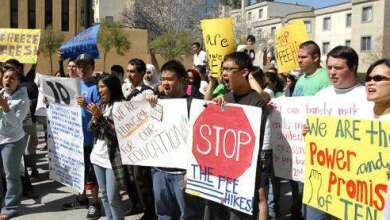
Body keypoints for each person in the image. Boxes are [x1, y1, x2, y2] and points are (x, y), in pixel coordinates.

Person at [205, 52, 270, 220]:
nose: (224, 74)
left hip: (242, 176)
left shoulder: (256, 103)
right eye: (223, 69)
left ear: (244, 72)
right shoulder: (223, 99)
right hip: (219, 174)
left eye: (229, 69)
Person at [303, 46, 364, 220]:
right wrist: (307, 132)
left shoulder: (366, 97)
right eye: (329, 67)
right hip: (320, 179)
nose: (331, 72)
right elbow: (310, 131)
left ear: (352, 68)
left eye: (338, 68)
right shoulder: (320, 96)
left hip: (352, 182)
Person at [146, 60, 205, 220]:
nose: (165, 83)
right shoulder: (157, 102)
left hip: (184, 173)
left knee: (189, 214)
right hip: (159, 172)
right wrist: (149, 109)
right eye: (163, 79)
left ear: (183, 81)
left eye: (170, 79)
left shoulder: (194, 105)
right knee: (163, 215)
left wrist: (191, 170)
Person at [290, 41, 330, 219]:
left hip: (317, 146)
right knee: (300, 193)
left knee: (314, 195)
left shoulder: (325, 79)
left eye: (303, 57)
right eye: (298, 57)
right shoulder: (300, 79)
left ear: (316, 57)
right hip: (298, 146)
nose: (299, 60)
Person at [62, 54, 101, 220]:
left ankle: (94, 204)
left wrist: (85, 105)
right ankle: (81, 197)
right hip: (74, 139)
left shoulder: (97, 88)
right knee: (78, 171)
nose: (82, 70)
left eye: (86, 66)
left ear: (92, 67)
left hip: (90, 139)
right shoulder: (72, 86)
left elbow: (100, 114)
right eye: (79, 66)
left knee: (91, 174)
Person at [87, 75, 126, 220]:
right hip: (98, 156)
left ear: (112, 87)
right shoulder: (101, 104)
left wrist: (101, 118)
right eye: (98, 87)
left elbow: (118, 133)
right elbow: (91, 128)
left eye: (102, 87)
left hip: (113, 159)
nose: (99, 90)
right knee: (104, 195)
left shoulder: (122, 105)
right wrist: (95, 117)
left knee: (113, 198)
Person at [122, 58, 156, 220]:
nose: (129, 74)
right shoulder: (125, 88)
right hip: (126, 141)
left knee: (141, 178)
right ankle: (137, 205)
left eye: (133, 71)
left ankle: (150, 211)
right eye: (128, 71)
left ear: (142, 73)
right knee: (129, 177)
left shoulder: (147, 92)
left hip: (141, 143)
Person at [0, 67, 29, 219]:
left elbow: (16, 123)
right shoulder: (1, 93)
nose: (8, 80)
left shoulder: (23, 99)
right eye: (6, 77)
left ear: (18, 82)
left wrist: (5, 108)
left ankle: (11, 207)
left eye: (12, 78)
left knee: (11, 175)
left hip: (12, 141)